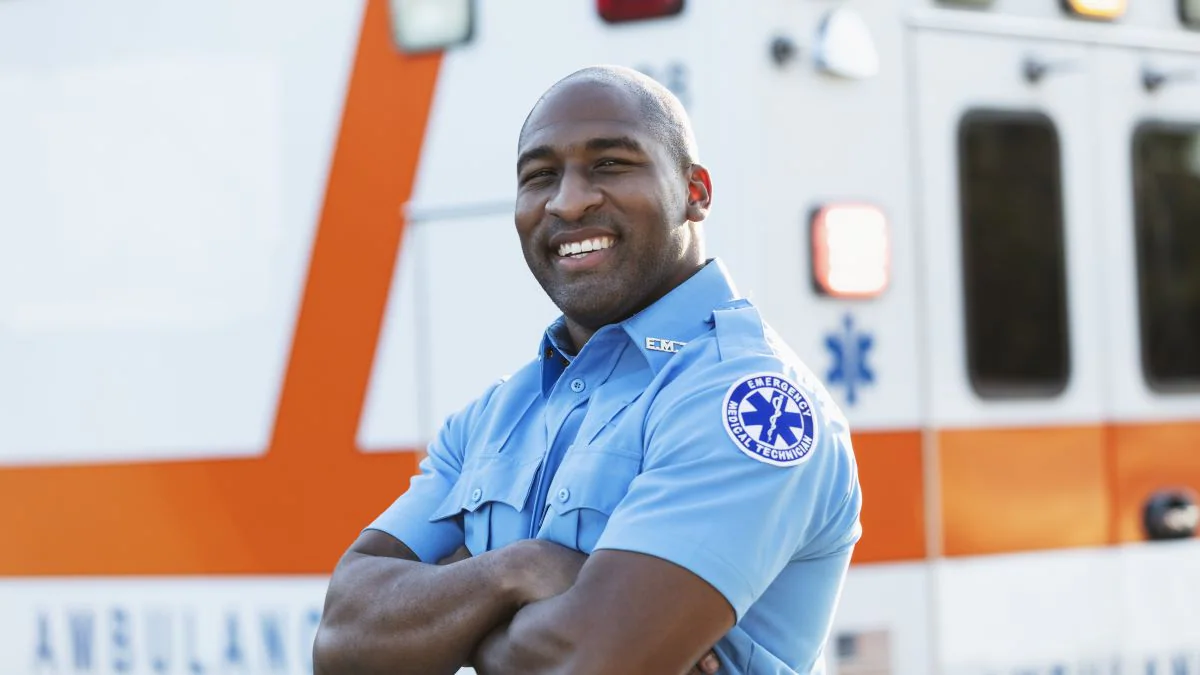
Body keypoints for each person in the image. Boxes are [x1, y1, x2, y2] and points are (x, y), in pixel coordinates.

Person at [312, 65, 862, 675]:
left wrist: (451, 623)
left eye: (610, 164)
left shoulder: (748, 400)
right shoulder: (493, 416)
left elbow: (592, 661)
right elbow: (343, 641)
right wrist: (518, 569)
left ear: (696, 192)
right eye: (540, 176)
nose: (568, 201)